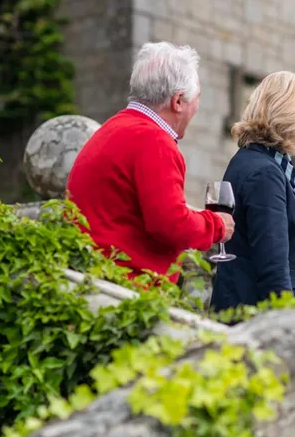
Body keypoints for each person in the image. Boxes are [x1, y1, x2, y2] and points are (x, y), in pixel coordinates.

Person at [67, 42, 234, 282]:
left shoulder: (114, 128)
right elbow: (171, 224)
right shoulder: (154, 141)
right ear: (178, 101)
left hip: (98, 276)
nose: (197, 106)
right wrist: (217, 225)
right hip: (127, 288)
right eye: (197, 98)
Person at [210, 71, 295, 310]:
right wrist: (287, 326)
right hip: (266, 322)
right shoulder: (264, 172)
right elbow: (273, 270)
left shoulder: (269, 166)